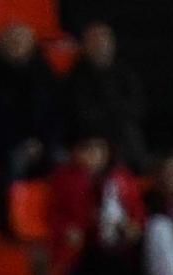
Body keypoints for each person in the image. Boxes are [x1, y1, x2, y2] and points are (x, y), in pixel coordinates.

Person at [49, 134, 144, 275]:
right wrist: (70, 230)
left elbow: (137, 213)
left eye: (99, 149)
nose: (93, 154)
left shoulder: (122, 178)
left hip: (122, 245)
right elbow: (56, 215)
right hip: (85, 247)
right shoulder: (64, 179)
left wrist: (133, 226)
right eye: (88, 148)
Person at [0, 24, 61, 190]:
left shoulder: (44, 75)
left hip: (42, 142)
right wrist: (19, 143)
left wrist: (42, 141)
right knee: (13, 165)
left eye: (22, 42)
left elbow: (55, 113)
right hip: (8, 144)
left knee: (63, 161)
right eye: (12, 42)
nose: (17, 46)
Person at [63, 22, 148, 172]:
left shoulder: (125, 73)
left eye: (104, 40)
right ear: (85, 45)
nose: (101, 45)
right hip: (91, 138)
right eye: (95, 41)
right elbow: (82, 114)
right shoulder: (76, 77)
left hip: (122, 133)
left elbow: (137, 107)